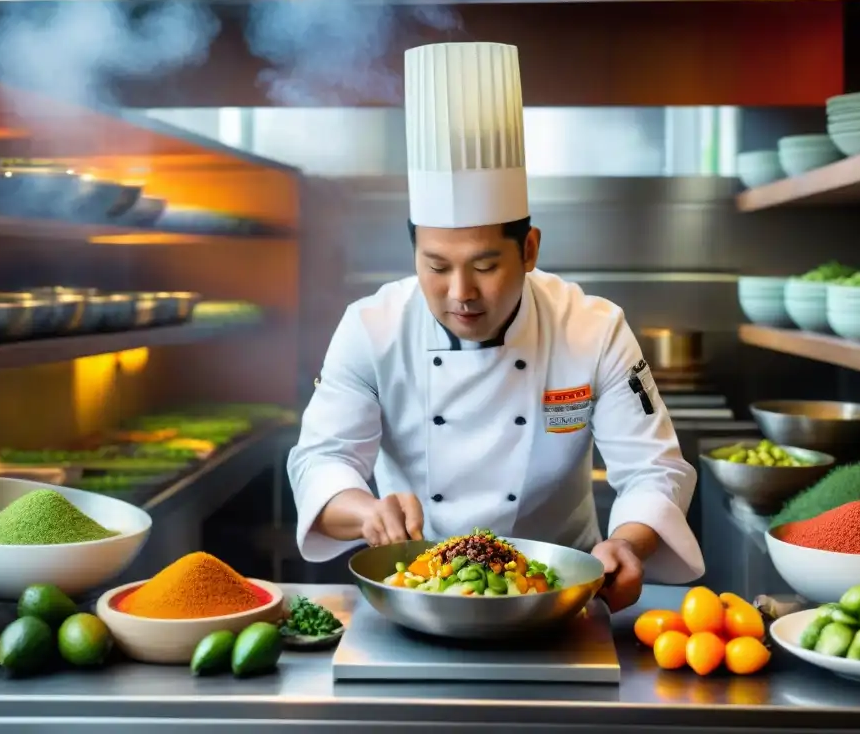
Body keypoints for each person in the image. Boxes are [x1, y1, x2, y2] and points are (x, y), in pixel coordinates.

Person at [288, 41, 705, 612]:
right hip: (417, 594)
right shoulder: (370, 330)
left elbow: (653, 470)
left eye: (485, 266)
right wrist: (367, 511)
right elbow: (321, 461)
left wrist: (628, 544)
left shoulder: (593, 328)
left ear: (529, 248)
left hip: (561, 599)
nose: (461, 293)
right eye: (436, 266)